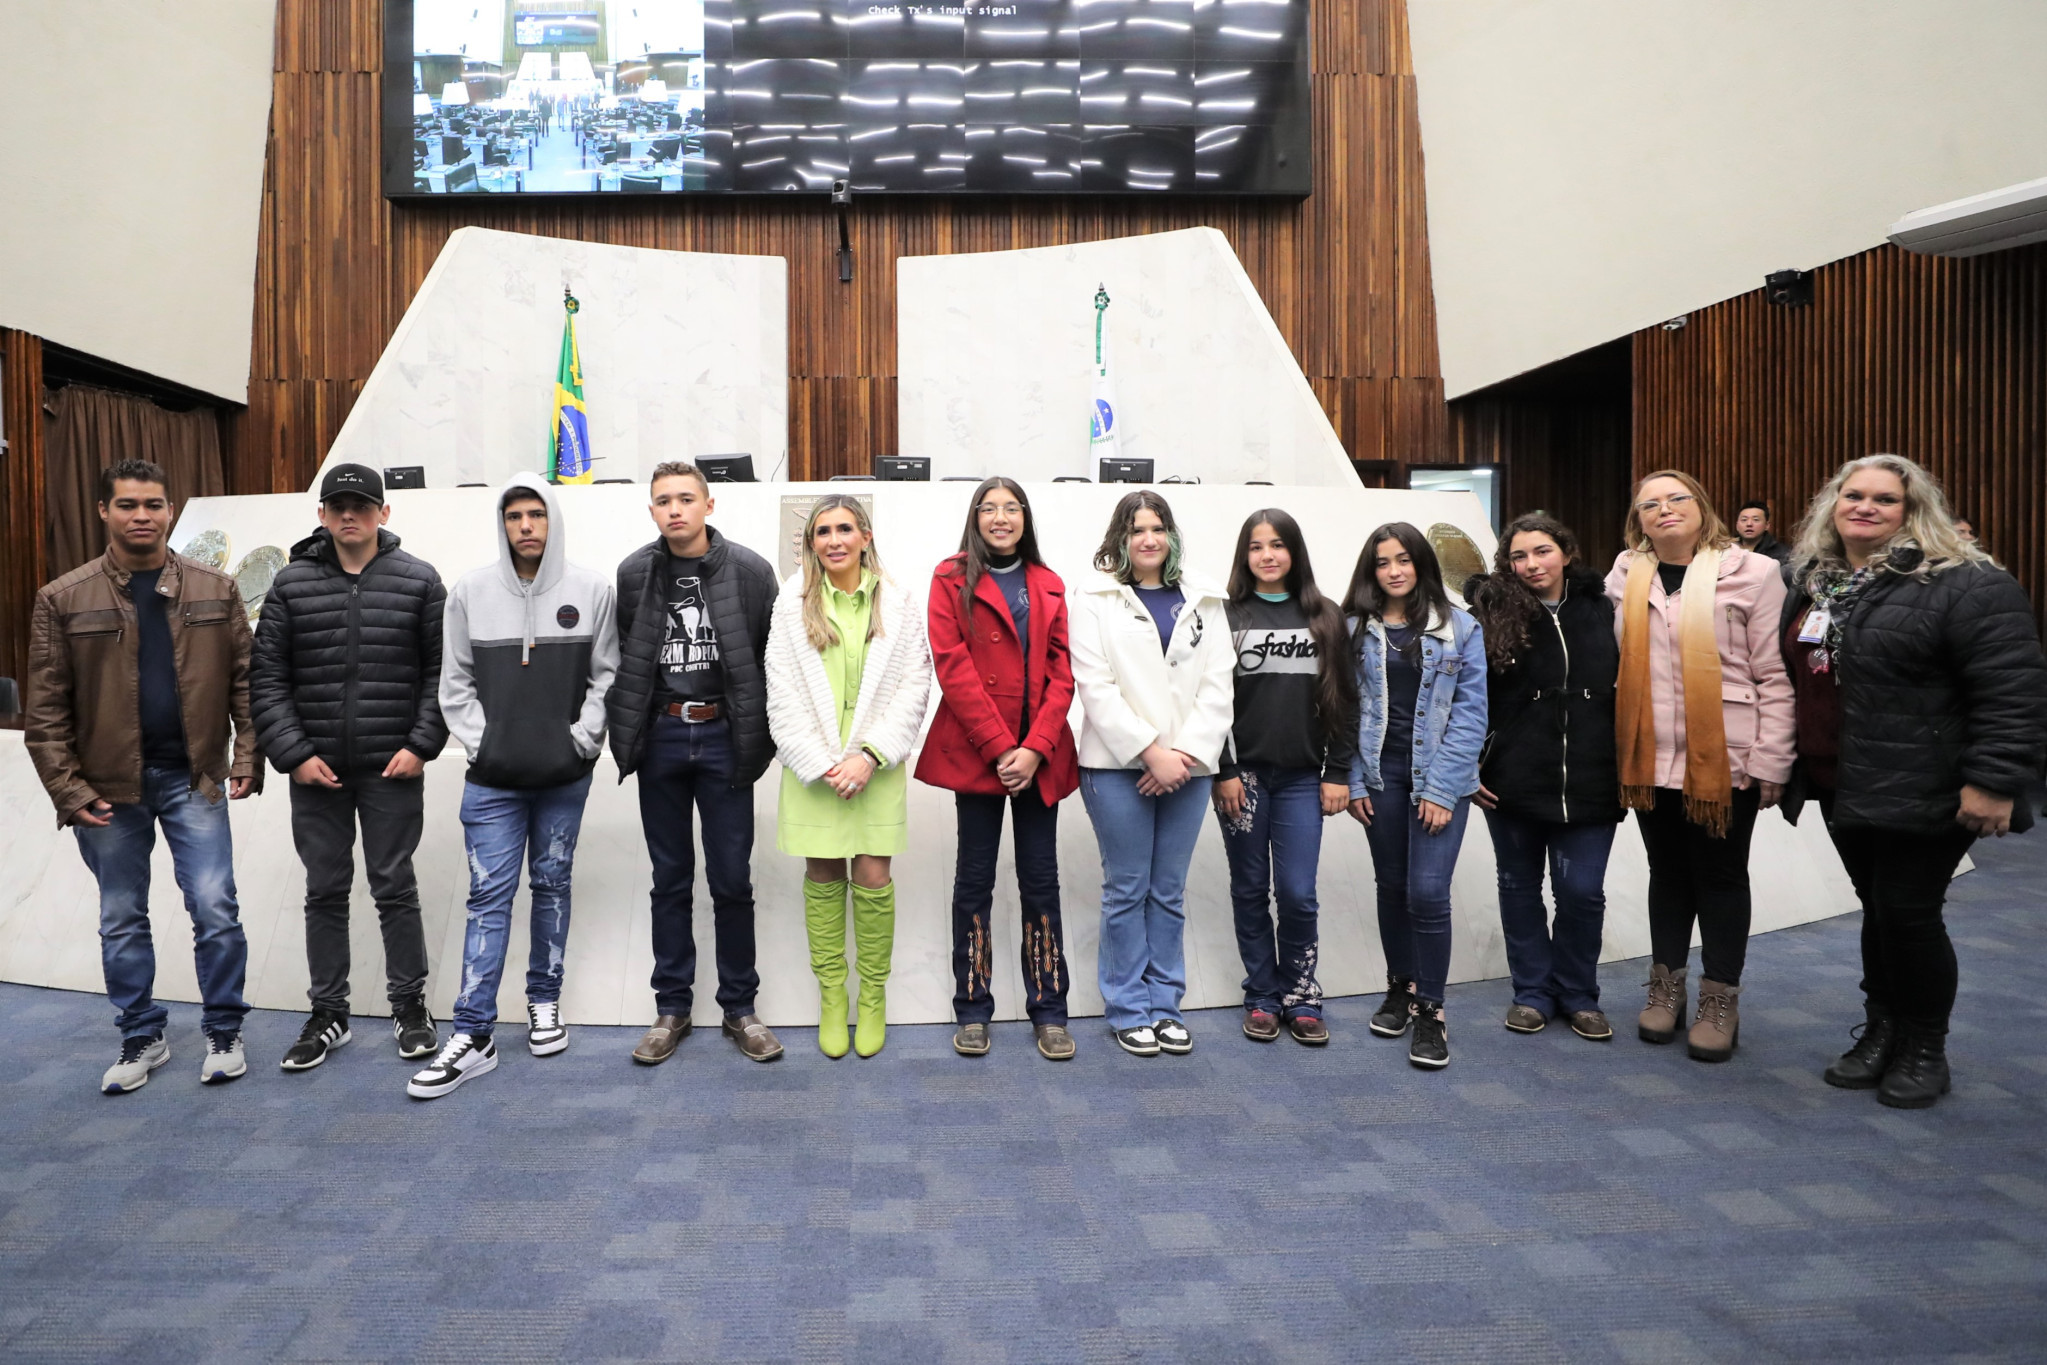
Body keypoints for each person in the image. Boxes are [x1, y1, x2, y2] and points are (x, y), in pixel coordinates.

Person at [1779, 454, 2046, 1108]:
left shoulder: (1965, 582)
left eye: (1885, 499)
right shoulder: (1817, 580)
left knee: (1908, 911)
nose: (1865, 506)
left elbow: (2012, 691)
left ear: (1912, 511)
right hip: (1840, 778)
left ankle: (1924, 1044)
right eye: (1853, 494)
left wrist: (1993, 780)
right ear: (1831, 504)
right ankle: (1882, 1028)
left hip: (1925, 780)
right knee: (1877, 908)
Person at [25, 459, 261, 1093]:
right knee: (122, 916)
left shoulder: (217, 588)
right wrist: (70, 791)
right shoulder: (62, 598)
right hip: (107, 791)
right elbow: (44, 713)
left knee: (215, 907)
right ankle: (141, 1035)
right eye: (127, 505)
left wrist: (246, 759)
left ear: (169, 511)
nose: (141, 516)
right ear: (104, 511)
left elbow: (247, 683)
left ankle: (224, 1030)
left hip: (196, 779)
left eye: (153, 504)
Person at [407, 474, 618, 1099]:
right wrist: (487, 744)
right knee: (488, 897)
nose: (525, 526)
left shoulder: (592, 590)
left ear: (552, 520)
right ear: (502, 525)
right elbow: (455, 685)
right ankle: (473, 1031)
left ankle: (543, 1000)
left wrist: (579, 741)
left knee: (552, 884)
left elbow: (607, 678)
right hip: (493, 781)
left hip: (564, 778)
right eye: (514, 517)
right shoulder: (470, 591)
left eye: (536, 515)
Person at [251, 463, 448, 1073]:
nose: (349, 515)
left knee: (395, 888)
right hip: (317, 773)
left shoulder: (419, 581)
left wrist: (420, 745)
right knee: (325, 892)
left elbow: (442, 674)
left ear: (384, 514)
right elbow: (267, 679)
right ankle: (328, 1012)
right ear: (321, 514)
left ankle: (410, 1006)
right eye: (337, 505)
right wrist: (295, 754)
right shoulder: (291, 583)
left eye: (361, 505)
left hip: (393, 768)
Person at [1607, 470, 1792, 1063]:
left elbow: (1772, 673)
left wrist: (1771, 759)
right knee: (1667, 872)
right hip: (1649, 754)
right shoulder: (1624, 573)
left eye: (1676, 499)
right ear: (1638, 519)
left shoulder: (1754, 572)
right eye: (1650, 504)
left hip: (1727, 756)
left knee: (1719, 875)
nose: (1664, 510)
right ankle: (1666, 987)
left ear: (1701, 505)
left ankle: (1720, 998)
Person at [608, 462, 784, 1066]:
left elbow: (769, 659)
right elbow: (629, 658)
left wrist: (754, 737)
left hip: (723, 740)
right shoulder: (633, 574)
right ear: (652, 511)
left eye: (686, 499)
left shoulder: (753, 572)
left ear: (710, 505)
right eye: (663, 501)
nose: (675, 509)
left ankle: (741, 1007)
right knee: (670, 878)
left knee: (732, 878)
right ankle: (672, 1007)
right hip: (661, 736)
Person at [917, 477, 1081, 1061]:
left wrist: (1034, 748)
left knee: (1041, 882)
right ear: (975, 518)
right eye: (989, 509)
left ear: (1025, 519)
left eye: (1011, 508)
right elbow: (952, 665)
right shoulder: (949, 577)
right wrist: (997, 747)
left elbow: (1064, 674)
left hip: (1039, 755)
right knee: (974, 881)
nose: (1001, 518)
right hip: (979, 752)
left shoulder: (1049, 583)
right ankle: (972, 1006)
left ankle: (1050, 1009)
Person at [765, 495, 932, 1059]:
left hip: (876, 770)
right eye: (822, 532)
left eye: (844, 529)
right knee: (823, 878)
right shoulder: (791, 606)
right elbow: (781, 694)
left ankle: (874, 998)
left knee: (874, 878)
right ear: (810, 543)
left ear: (864, 535)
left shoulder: (900, 602)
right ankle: (833, 997)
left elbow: (914, 685)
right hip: (814, 773)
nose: (834, 540)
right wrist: (821, 762)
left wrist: (869, 755)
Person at [1070, 491, 1235, 1058]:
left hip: (1190, 770)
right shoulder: (1094, 598)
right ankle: (1127, 1008)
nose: (1148, 538)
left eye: (1157, 527)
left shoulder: (1207, 598)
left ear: (1171, 535)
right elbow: (1095, 687)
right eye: (1136, 529)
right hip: (1116, 770)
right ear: (1120, 538)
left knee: (1168, 891)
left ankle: (1165, 1006)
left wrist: (1182, 756)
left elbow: (1219, 686)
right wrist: (1150, 753)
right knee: (1127, 889)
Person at [1465, 515, 1621, 1041]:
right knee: (1518, 887)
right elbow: (1466, 699)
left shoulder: (1605, 609)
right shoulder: (1489, 613)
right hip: (1512, 778)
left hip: (1594, 775)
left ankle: (1578, 994)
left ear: (1567, 551)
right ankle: (1532, 992)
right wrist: (1471, 765)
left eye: (1543, 551)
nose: (1532, 565)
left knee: (1582, 892)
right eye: (1519, 556)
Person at [1212, 509, 1358, 1046]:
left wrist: (1337, 771)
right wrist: (1224, 771)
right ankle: (1262, 996)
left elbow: (1345, 701)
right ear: (1244, 555)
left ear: (1294, 552)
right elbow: (1212, 705)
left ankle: (1301, 994)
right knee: (1250, 889)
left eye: (1277, 545)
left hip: (1301, 778)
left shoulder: (1325, 616)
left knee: (1297, 892)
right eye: (1256, 546)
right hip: (1241, 778)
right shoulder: (1227, 617)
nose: (1267, 555)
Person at [1345, 523, 1487, 1070]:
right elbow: (1343, 709)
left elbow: (1472, 715)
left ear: (1422, 564)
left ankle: (1432, 1009)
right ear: (1371, 571)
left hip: (1439, 779)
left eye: (1404, 559)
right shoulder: (1354, 627)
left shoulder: (1460, 628)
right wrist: (1354, 780)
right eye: (1383, 563)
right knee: (1393, 886)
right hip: (1381, 779)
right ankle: (1401, 988)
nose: (1395, 570)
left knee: (1428, 893)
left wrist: (1444, 788)